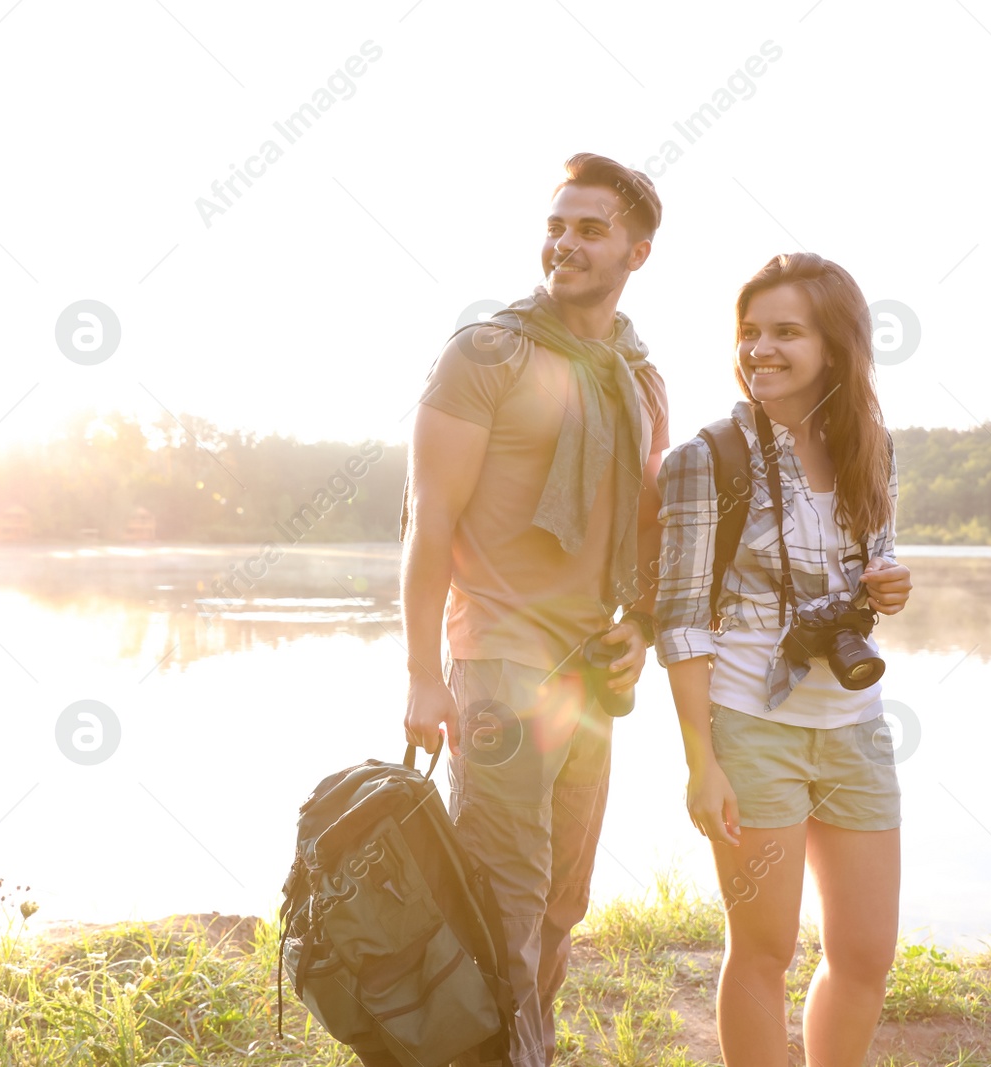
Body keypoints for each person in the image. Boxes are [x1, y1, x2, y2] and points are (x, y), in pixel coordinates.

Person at [399, 152, 670, 1067]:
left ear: (637, 250)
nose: (565, 243)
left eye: (590, 229)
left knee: (560, 904)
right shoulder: (487, 352)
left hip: (588, 677)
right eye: (557, 225)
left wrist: (640, 626)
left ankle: (528, 1049)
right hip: (499, 669)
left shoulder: (636, 375)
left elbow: (639, 531)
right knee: (503, 899)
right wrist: (423, 677)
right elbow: (427, 520)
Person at [653, 252, 914, 1066]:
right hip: (752, 726)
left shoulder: (870, 445)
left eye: (785, 331)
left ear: (834, 345)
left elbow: (872, 567)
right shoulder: (708, 457)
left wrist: (889, 584)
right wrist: (702, 763)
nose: (760, 347)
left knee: (867, 953)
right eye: (750, 332)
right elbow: (682, 619)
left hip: (855, 727)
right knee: (763, 951)